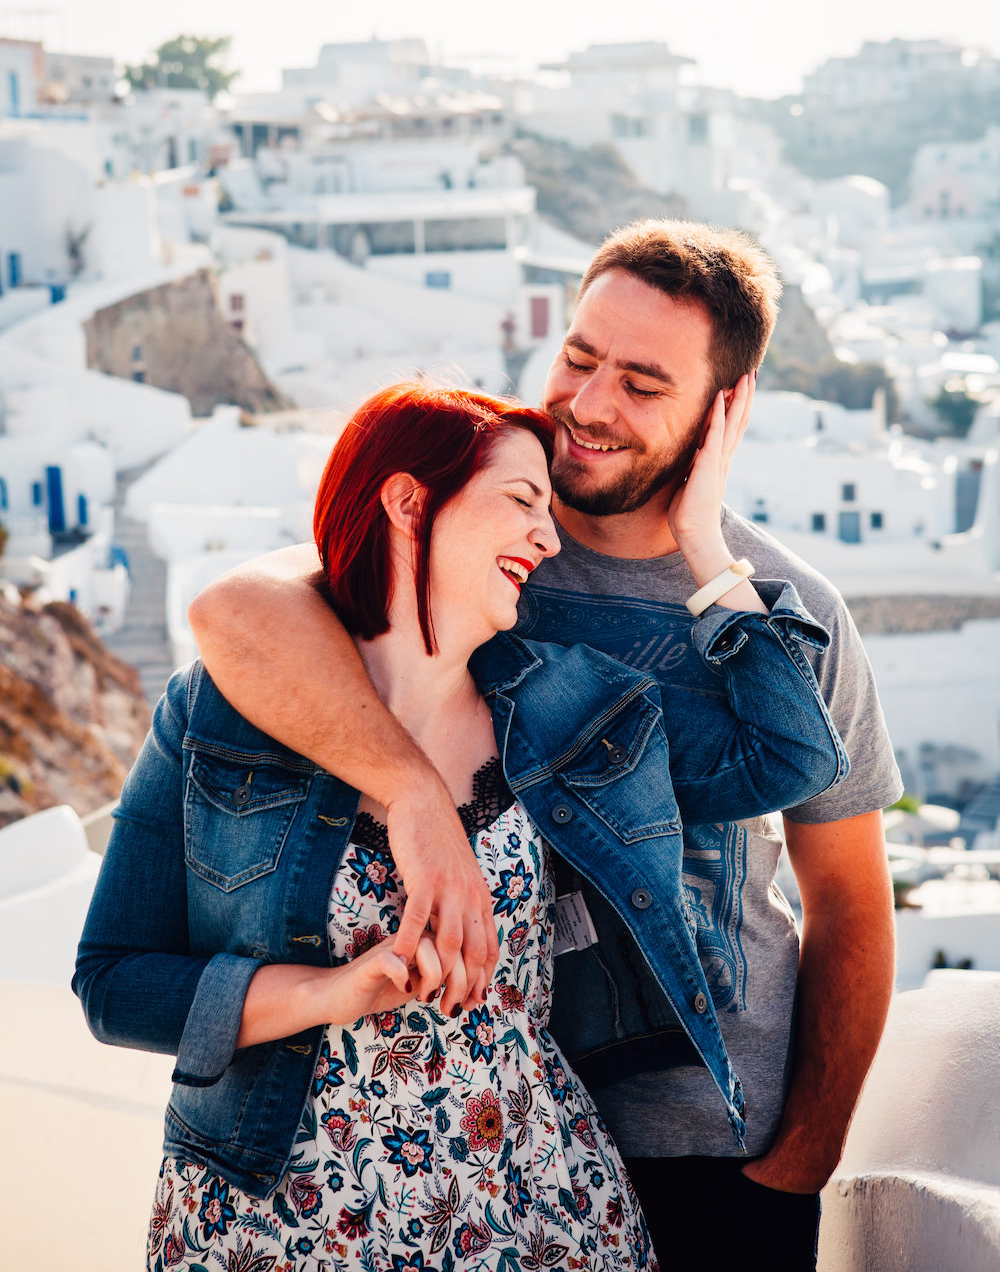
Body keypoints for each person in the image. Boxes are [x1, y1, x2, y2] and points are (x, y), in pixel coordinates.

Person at [187, 221, 902, 1272]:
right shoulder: (479, 546)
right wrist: (415, 796)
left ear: (724, 405)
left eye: (645, 383)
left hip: (711, 1152)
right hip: (473, 1140)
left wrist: (799, 1160)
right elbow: (239, 608)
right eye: (579, 358)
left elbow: (847, 901)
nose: (591, 404)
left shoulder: (789, 614)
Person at [74, 379, 846, 1272]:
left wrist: (705, 539)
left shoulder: (573, 712)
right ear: (408, 501)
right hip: (268, 1223)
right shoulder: (214, 714)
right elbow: (115, 982)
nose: (548, 538)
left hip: (533, 1209)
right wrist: (332, 993)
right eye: (522, 501)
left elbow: (795, 758)